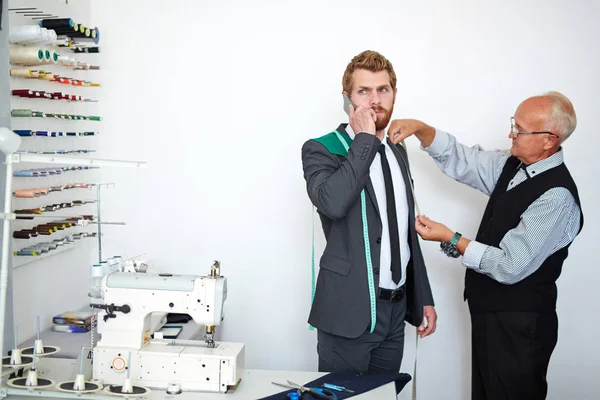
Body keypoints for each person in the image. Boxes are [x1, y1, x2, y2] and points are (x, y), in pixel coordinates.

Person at [387, 91, 584, 399]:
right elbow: (463, 159)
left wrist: (452, 238)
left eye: (519, 129)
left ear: (549, 140)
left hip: (520, 328)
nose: (511, 134)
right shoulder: (512, 165)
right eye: (512, 124)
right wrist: (421, 130)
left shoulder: (556, 197)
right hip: (491, 317)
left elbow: (509, 265)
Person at [301, 50, 437, 374]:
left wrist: (423, 297)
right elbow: (332, 203)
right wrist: (364, 138)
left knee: (385, 397)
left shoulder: (398, 151)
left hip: (395, 312)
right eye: (364, 91)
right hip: (349, 312)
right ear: (347, 99)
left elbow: (402, 233)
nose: (375, 100)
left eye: (383, 90)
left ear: (394, 94)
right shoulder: (322, 148)